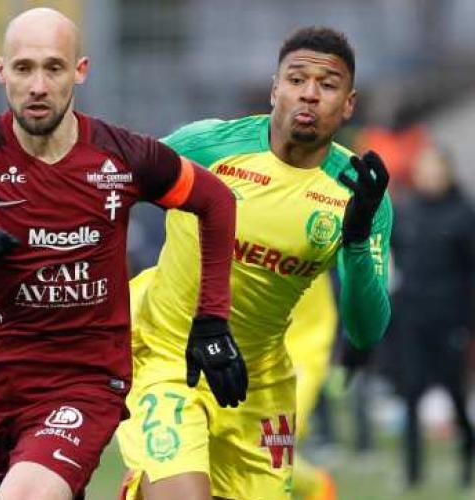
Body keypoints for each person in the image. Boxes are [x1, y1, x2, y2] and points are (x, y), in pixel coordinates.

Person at [0, 8, 241, 500]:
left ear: (79, 71)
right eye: (23, 69)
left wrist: (211, 318)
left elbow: (215, 201)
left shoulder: (123, 157)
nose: (38, 85)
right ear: (1, 72)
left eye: (53, 68)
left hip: (82, 383)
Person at [116, 27, 392, 499]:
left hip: (258, 386)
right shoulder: (206, 146)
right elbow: (109, 184)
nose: (309, 93)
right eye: (296, 78)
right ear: (274, 88)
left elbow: (367, 329)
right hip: (167, 357)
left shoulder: (359, 192)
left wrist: (357, 237)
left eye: (327, 84)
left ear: (348, 104)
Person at [392, 143, 475, 488]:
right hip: (411, 317)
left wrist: (467, 323)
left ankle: (467, 458)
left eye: (436, 168)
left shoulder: (463, 213)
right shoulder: (405, 211)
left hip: (450, 319)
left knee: (455, 395)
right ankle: (412, 475)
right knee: (410, 394)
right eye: (424, 168)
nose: (430, 175)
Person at [284, 273, 338, 499]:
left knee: (270, 444)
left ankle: (315, 487)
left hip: (305, 350)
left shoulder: (323, 239)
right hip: (257, 347)